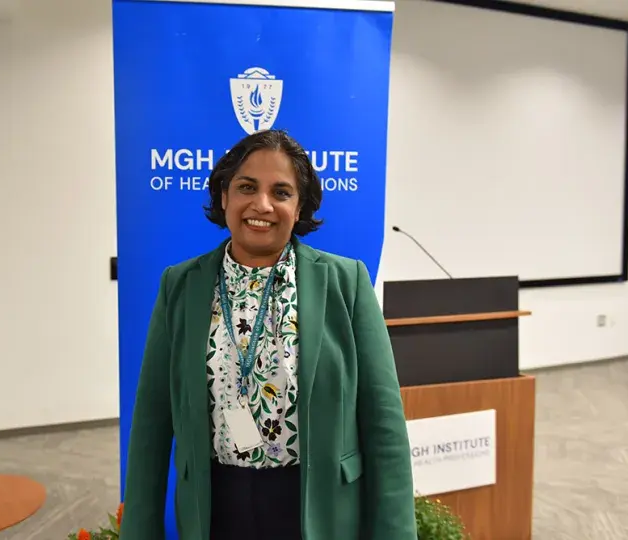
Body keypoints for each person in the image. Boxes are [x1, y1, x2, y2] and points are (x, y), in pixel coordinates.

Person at [119, 129, 416, 540]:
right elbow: (151, 425)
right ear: (224, 196)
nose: (262, 205)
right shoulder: (181, 286)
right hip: (215, 508)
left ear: (299, 207)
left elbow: (384, 426)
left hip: (317, 510)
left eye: (281, 192)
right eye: (246, 187)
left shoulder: (345, 283)